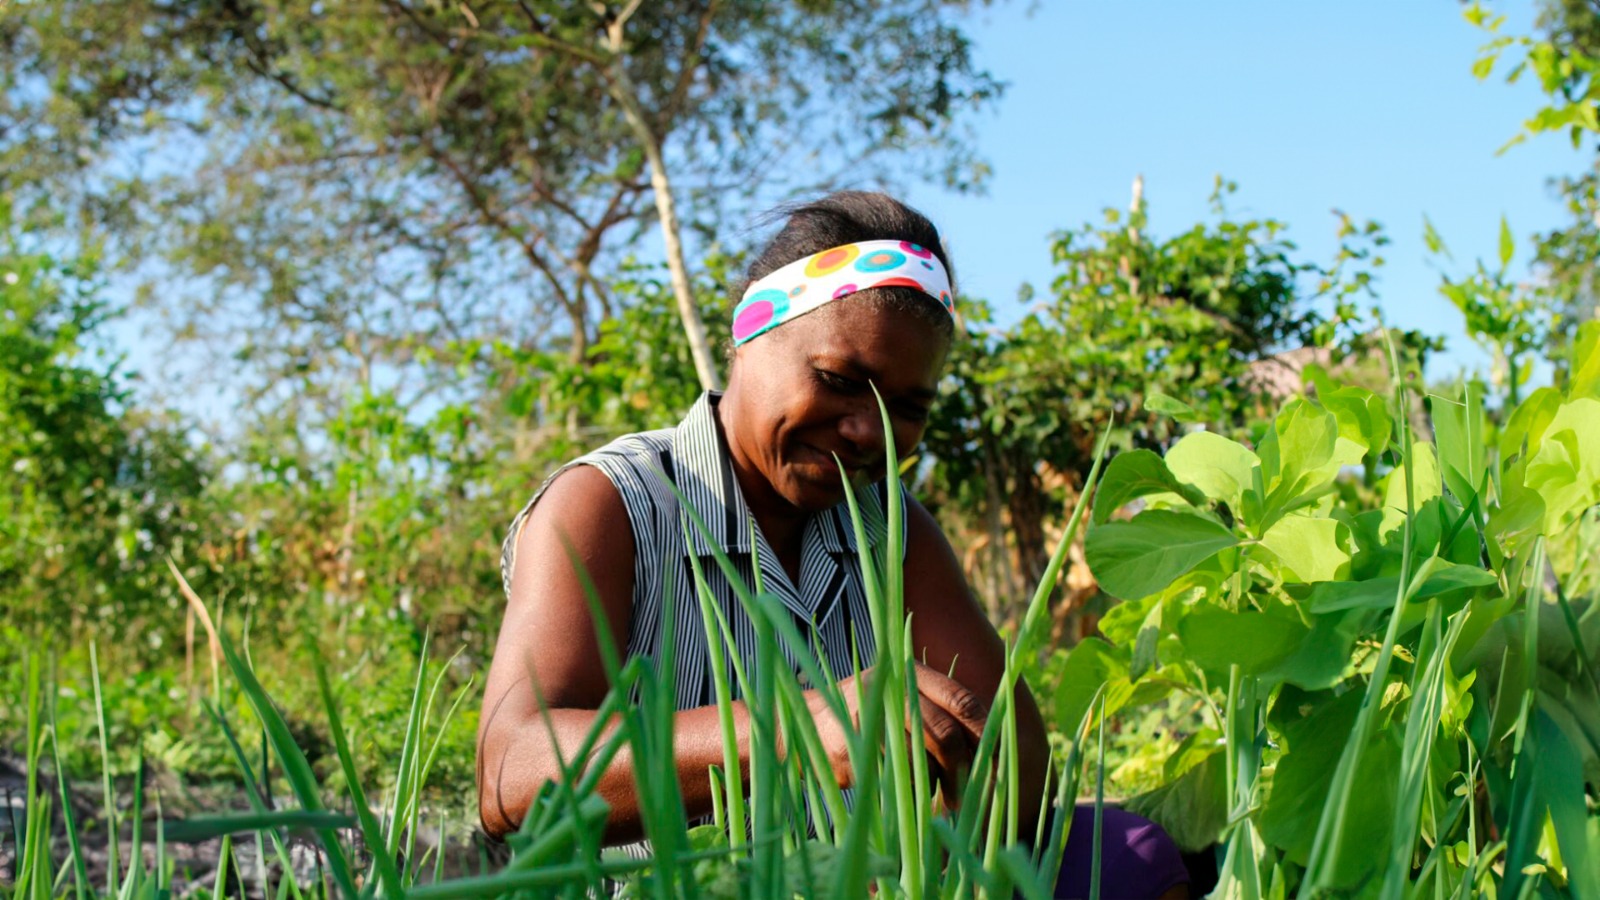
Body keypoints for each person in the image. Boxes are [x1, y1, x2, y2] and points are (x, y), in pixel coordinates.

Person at [477, 192, 1188, 899]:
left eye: (907, 408)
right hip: (684, 889)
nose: (867, 432)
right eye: (840, 382)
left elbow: (1016, 764)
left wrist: (935, 855)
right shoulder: (613, 502)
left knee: (1128, 853)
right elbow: (511, 772)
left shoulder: (890, 529)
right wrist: (798, 726)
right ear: (749, 338)